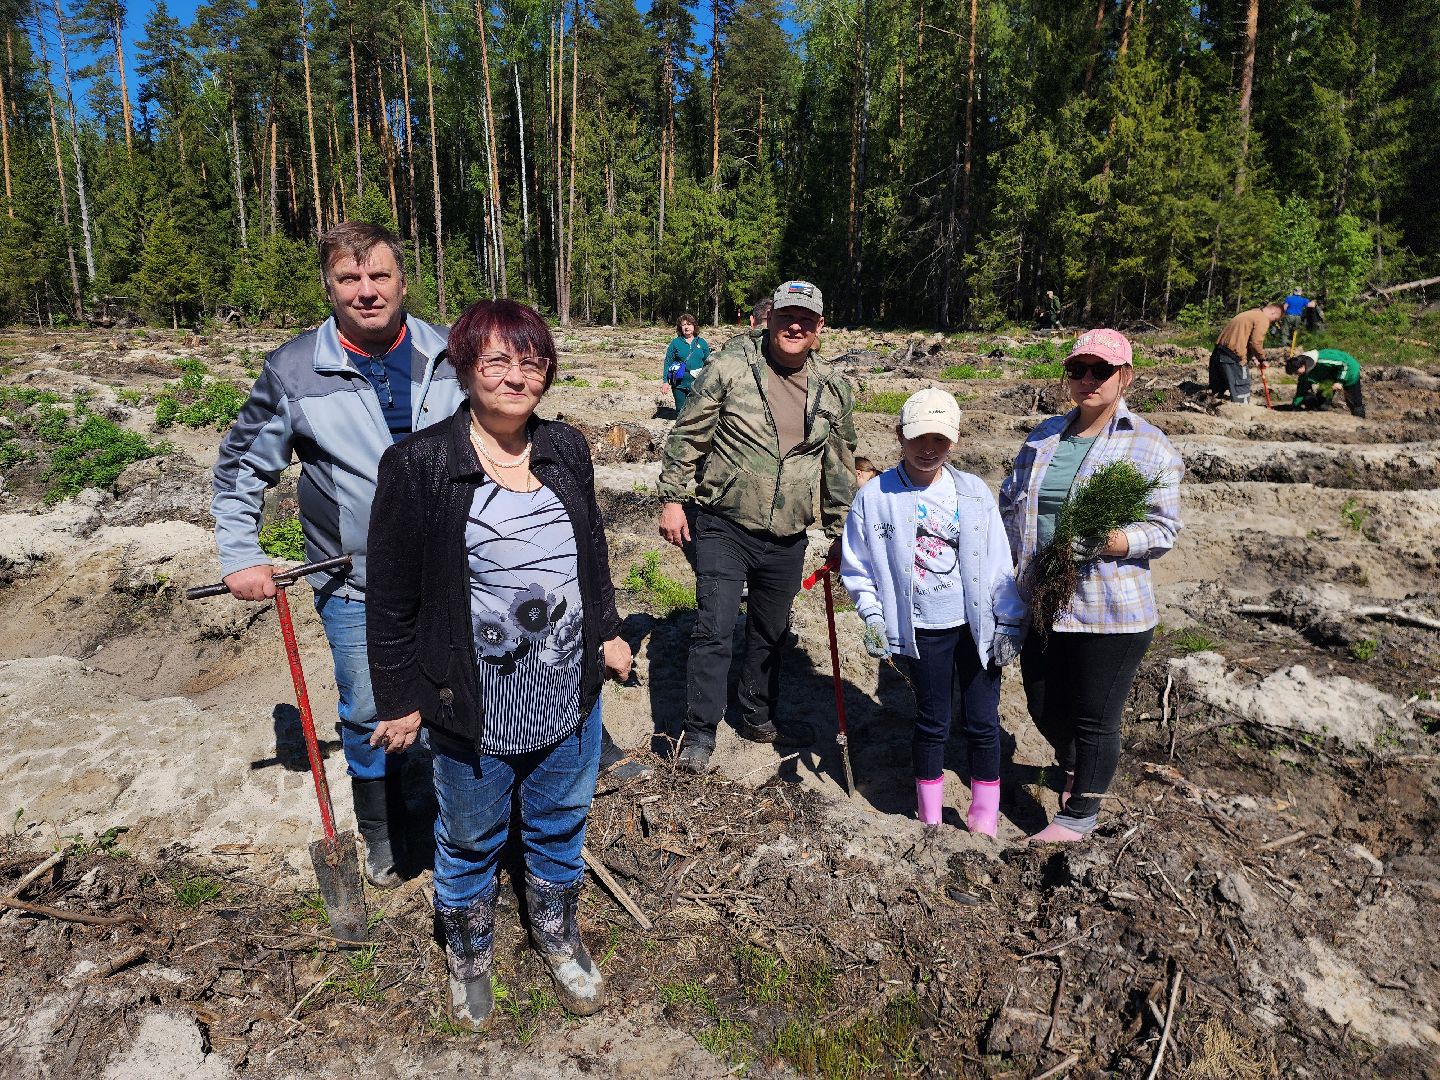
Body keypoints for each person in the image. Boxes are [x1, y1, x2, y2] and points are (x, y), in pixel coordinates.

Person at [365, 299, 633, 1028]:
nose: (518, 376)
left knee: (560, 820)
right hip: (473, 705)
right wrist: (400, 697)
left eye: (533, 361)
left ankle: (555, 931)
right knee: (470, 836)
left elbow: (590, 554)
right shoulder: (420, 465)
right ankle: (469, 951)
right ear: (464, 368)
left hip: (568, 692)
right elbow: (391, 599)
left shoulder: (565, 448)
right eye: (498, 361)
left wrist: (607, 632)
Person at [211, 221, 465, 889]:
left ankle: (451, 812)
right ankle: (382, 830)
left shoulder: (451, 353)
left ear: (403, 281)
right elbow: (240, 466)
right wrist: (240, 551)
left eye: (379, 275)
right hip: (355, 580)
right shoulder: (295, 369)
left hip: (453, 576)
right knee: (370, 706)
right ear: (329, 287)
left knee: (454, 692)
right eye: (349, 279)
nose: (366, 291)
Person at [657, 280, 857, 775]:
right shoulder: (729, 367)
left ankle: (756, 715)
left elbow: (839, 464)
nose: (795, 326)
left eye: (806, 320)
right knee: (714, 629)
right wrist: (673, 499)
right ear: (770, 319)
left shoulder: (833, 388)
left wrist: (841, 533)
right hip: (724, 524)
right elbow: (688, 433)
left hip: (788, 535)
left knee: (771, 631)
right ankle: (699, 731)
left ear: (819, 327)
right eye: (787, 316)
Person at [999, 329, 1182, 843]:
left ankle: (1079, 813)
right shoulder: (1043, 436)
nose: (1087, 380)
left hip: (1110, 608)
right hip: (1043, 597)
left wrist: (1111, 541)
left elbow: (1163, 528)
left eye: (1101, 370)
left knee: (1096, 717)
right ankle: (1075, 767)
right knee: (1042, 703)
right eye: (1078, 369)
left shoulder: (1147, 443)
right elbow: (1010, 504)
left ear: (1126, 376)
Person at [840, 389, 1025, 837]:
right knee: (932, 721)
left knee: (983, 722)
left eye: (939, 439)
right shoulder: (876, 497)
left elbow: (998, 564)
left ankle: (984, 817)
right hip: (923, 630)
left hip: (976, 627)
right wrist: (874, 616)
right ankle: (931, 818)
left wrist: (1008, 621)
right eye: (918, 437)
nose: (928, 449)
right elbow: (858, 566)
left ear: (954, 439)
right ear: (899, 435)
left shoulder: (973, 492)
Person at [1210, 302, 1281, 405]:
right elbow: (1256, 342)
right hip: (1233, 357)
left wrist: (1254, 358)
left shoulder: (1251, 314)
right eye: (1275, 319)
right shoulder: (1262, 318)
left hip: (1218, 353)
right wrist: (1262, 359)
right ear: (1273, 312)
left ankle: (1214, 411)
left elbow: (1244, 338)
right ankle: (1241, 414)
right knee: (1241, 389)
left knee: (1218, 390)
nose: (1272, 322)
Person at [1286, 349, 1365, 417]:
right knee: (1322, 400)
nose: (1296, 374)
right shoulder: (1304, 372)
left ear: (1302, 365)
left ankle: (1361, 422)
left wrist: (1340, 382)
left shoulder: (1323, 359)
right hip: (1330, 375)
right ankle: (1320, 418)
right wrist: (1295, 406)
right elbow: (1301, 390)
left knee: (1354, 402)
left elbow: (1345, 364)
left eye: (1296, 372)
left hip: (1350, 370)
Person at [662, 314, 711, 414]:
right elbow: (668, 362)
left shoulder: (702, 342)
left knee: (697, 411)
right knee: (681, 411)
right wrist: (665, 382)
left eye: (689, 324)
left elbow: (709, 362)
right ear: (680, 327)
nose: (686, 327)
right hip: (679, 384)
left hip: (698, 384)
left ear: (694, 326)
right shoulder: (675, 343)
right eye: (683, 325)